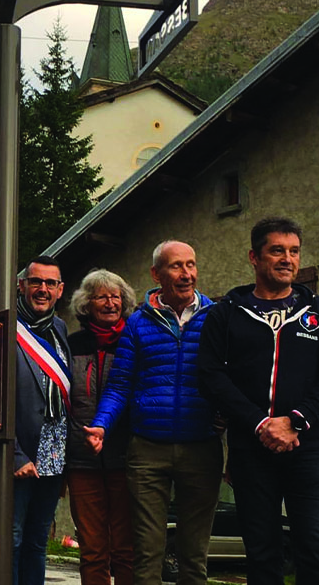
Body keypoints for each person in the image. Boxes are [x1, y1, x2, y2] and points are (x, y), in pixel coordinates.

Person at [198, 217, 319, 585]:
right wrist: (259, 423)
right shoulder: (225, 314)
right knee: (262, 554)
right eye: (277, 251)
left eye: (294, 251)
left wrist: (295, 421)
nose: (288, 259)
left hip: (308, 445)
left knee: (315, 552)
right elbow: (210, 377)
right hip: (250, 448)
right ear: (254, 257)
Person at [85, 241, 224, 585]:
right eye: (176, 266)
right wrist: (102, 425)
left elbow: (230, 377)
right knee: (147, 552)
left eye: (191, 265)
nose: (186, 274)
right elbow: (119, 385)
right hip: (147, 450)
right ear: (156, 274)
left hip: (202, 446)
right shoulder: (138, 323)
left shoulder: (216, 318)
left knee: (194, 555)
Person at [66, 269, 136, 585]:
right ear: (86, 304)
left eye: (115, 296)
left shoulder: (134, 340)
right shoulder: (72, 345)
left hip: (127, 459)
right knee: (92, 550)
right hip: (82, 461)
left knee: (126, 548)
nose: (110, 303)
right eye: (101, 296)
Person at [14, 255, 71, 585]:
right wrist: (16, 454)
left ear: (60, 290)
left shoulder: (60, 328)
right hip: (18, 450)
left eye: (50, 283)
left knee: (37, 541)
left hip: (54, 448)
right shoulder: (5, 326)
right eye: (36, 282)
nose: (42, 289)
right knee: (12, 539)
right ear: (22, 285)